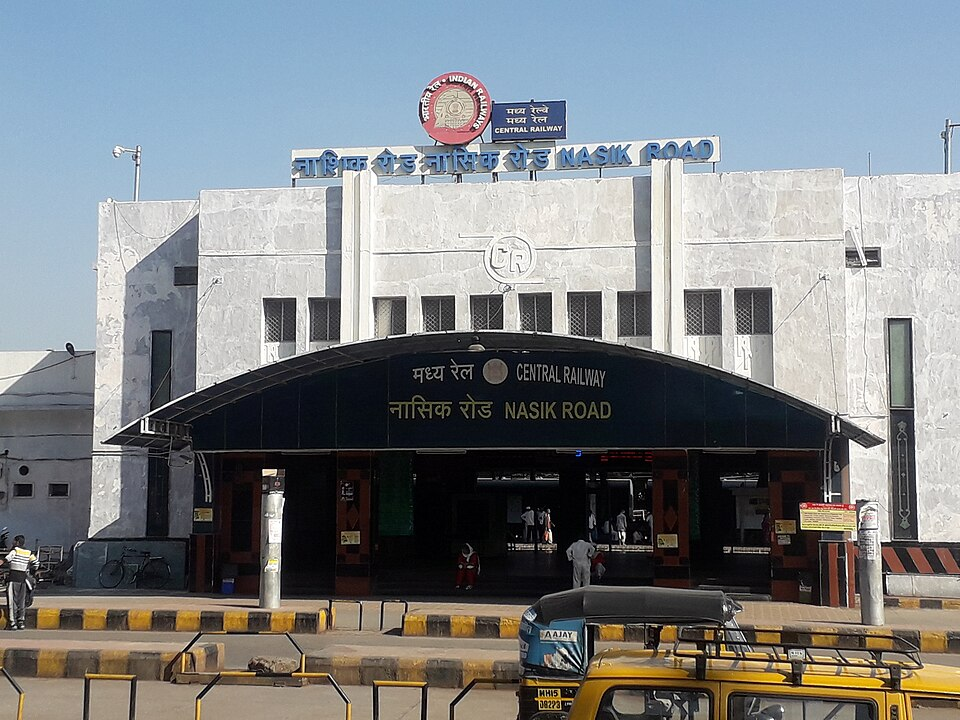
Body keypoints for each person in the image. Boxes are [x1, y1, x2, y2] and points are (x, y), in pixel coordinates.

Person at [2, 536, 38, 630]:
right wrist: (31, 572)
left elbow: (7, 559)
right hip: (23, 580)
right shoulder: (28, 552)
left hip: (13, 579)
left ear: (17, 542)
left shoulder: (15, 551)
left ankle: (12, 623)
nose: (12, 542)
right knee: (21, 601)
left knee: (11, 601)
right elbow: (36, 563)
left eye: (13, 541)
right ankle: (21, 622)